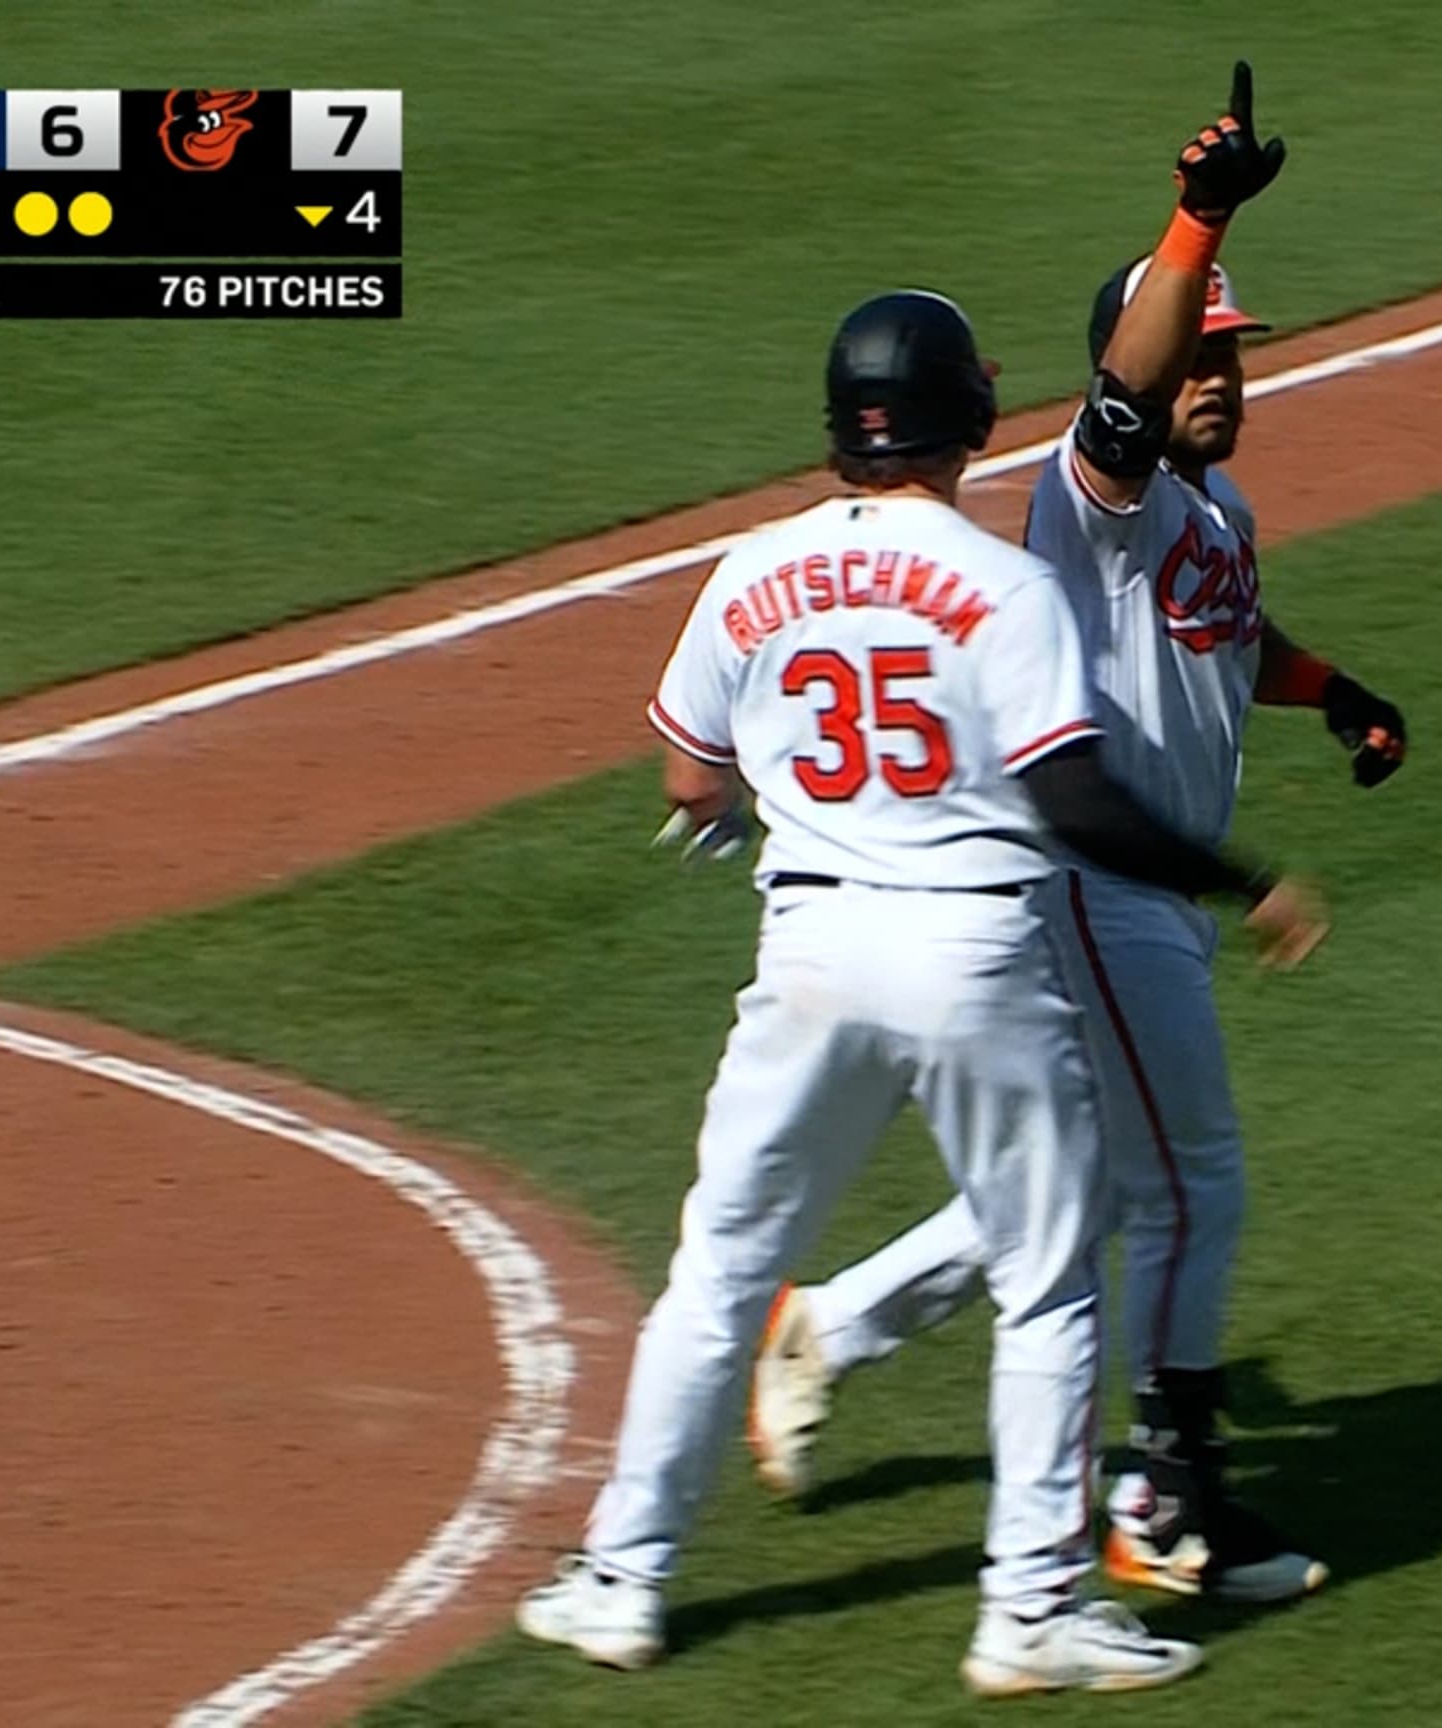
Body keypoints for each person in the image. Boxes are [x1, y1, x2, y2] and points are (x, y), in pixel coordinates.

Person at [515, 284, 1326, 1697]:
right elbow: (1077, 797)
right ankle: (1028, 1614)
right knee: (1051, 1282)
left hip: (810, 957)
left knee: (717, 1273)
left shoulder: (744, 572)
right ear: (965, 417)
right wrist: (1238, 879)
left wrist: (743, 810)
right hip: (974, 954)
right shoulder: (1006, 585)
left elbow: (691, 776)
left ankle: (619, 1583)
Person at [749, 63, 1411, 1606]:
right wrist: (1196, 217)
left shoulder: (1213, 519)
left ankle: (836, 1327)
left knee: (1099, 1184)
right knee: (1193, 1184)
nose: (1220, 379)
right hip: (1100, 886)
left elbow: (1228, 639)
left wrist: (1337, 693)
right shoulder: (1091, 496)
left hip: (1140, 898)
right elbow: (1123, 393)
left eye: (1237, 356)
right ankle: (1167, 1497)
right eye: (1202, 356)